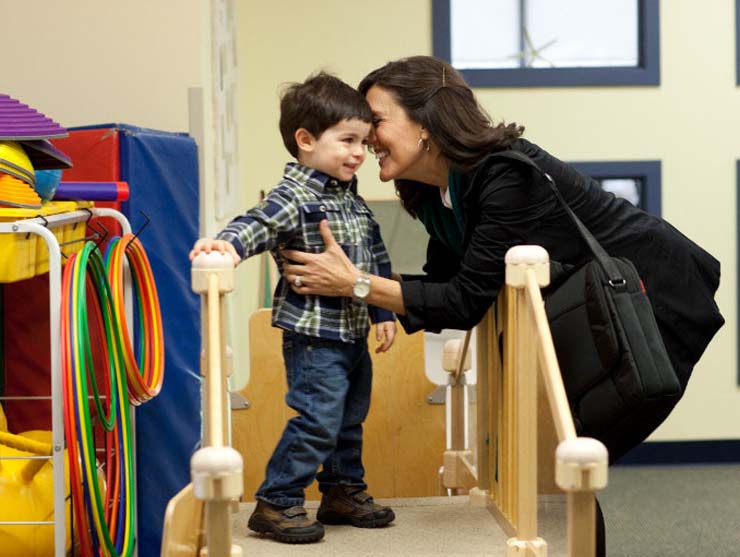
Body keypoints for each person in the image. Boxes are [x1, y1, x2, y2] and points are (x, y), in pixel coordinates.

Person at [280, 56, 725, 554]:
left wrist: (358, 285)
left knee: (561, 464)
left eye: (375, 121)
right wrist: (364, 293)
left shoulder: (505, 172)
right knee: (552, 463)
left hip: (655, 301)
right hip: (594, 311)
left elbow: (465, 300)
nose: (364, 137)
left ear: (425, 124)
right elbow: (446, 287)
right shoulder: (433, 193)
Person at [189, 72, 397, 544]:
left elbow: (376, 256)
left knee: (349, 418)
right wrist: (224, 247)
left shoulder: (351, 199)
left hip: (352, 332)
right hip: (314, 337)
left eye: (363, 141)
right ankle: (277, 501)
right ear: (306, 140)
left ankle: (343, 490)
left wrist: (384, 313)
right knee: (318, 420)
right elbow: (254, 224)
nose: (359, 152)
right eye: (347, 140)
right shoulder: (293, 197)